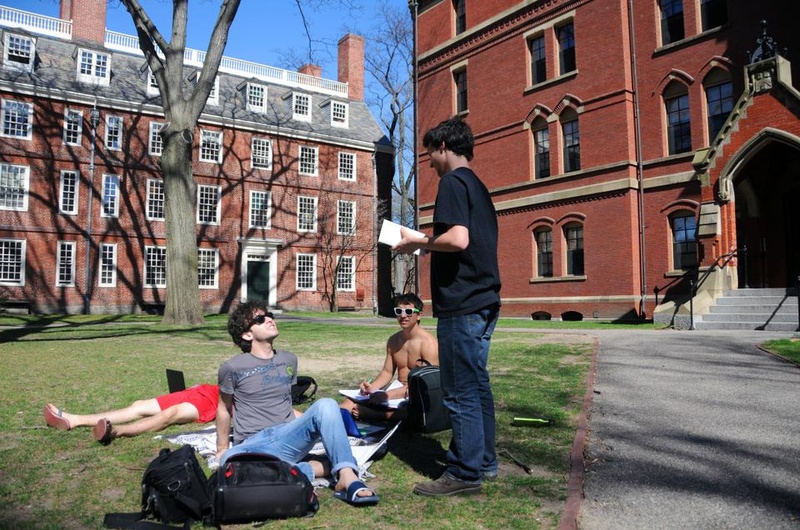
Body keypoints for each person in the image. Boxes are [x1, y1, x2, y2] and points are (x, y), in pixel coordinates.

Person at [393, 116, 501, 497]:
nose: (430, 163)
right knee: (478, 385)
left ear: (443, 147)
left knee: (459, 392)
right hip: (485, 300)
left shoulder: (453, 182)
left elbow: (456, 239)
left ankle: (463, 472)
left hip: (463, 304)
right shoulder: (478, 186)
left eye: (430, 155)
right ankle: (484, 462)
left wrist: (417, 241)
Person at [215, 301, 379, 506]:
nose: (269, 319)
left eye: (269, 315)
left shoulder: (289, 359)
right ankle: (318, 468)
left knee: (326, 404)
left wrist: (322, 422)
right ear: (247, 335)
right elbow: (223, 408)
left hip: (287, 436)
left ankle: (347, 477)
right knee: (227, 462)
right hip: (253, 443)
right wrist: (221, 448)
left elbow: (283, 404)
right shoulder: (231, 367)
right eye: (260, 319)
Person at [340, 292, 439, 422]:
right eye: (399, 311)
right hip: (396, 391)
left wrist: (387, 395)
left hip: (417, 394)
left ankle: (375, 414)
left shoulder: (429, 344)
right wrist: (372, 388)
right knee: (348, 402)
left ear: (419, 315)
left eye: (409, 311)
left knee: (414, 411)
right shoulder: (393, 340)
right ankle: (326, 420)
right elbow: (387, 372)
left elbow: (425, 386)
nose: (403, 316)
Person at [42, 383, 219, 446]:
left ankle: (115, 431)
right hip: (205, 390)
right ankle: (74, 420)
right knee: (139, 405)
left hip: (215, 403)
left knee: (171, 413)